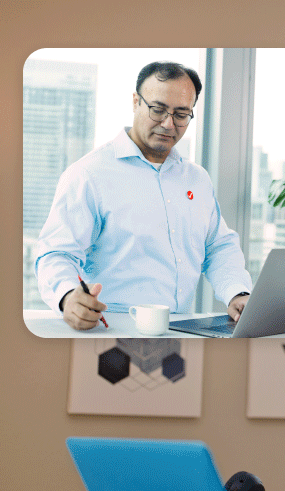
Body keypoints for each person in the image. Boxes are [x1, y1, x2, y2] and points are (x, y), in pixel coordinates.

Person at [34, 61, 252, 330]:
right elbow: (56, 253)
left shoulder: (197, 179)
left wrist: (237, 292)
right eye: (158, 110)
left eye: (181, 114)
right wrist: (68, 296)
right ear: (136, 101)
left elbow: (218, 247)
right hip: (108, 328)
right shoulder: (89, 174)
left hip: (180, 330)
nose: (168, 124)